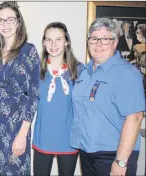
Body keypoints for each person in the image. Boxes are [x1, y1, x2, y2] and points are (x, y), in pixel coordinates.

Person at [70, 18, 145, 176]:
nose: (98, 44)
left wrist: (121, 161)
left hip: (114, 155)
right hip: (87, 153)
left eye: (105, 39)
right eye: (94, 38)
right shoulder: (84, 72)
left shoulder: (127, 73)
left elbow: (135, 118)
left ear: (115, 42)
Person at [0, 2, 40, 175]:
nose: (5, 24)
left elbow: (33, 95)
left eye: (10, 19)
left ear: (19, 22)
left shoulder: (28, 51)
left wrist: (22, 134)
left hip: (17, 127)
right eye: (0, 20)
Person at [32, 22, 81, 176]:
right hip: (43, 138)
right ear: (44, 42)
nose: (53, 44)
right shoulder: (35, 70)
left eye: (58, 39)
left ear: (66, 42)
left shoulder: (79, 70)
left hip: (69, 140)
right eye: (49, 40)